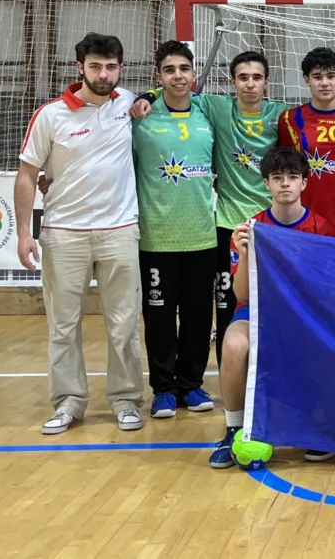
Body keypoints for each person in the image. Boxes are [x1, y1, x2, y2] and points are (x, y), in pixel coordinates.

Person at [16, 33, 145, 434]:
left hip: (120, 232)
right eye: (95, 66)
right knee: (63, 325)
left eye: (110, 67)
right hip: (62, 235)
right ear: (80, 68)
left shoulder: (129, 103)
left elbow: (166, 90)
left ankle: (126, 400)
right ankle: (69, 402)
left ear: (120, 69)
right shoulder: (51, 115)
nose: (103, 74)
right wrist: (25, 233)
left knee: (124, 323)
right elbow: (27, 176)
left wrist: (150, 98)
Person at [133, 51, 288, 366]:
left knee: (278, 306)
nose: (250, 84)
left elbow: (319, 114)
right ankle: (229, 386)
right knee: (227, 308)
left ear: (267, 83)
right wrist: (145, 95)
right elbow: (175, 92)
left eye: (256, 78)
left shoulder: (281, 115)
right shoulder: (214, 107)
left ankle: (275, 378)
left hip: (273, 229)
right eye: (243, 78)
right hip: (228, 227)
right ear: (232, 83)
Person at [209, 147, 335, 469]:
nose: (285, 185)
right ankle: (234, 428)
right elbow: (243, 296)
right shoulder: (249, 230)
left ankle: (315, 424)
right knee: (234, 344)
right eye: (277, 178)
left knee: (325, 342)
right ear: (266, 183)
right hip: (259, 310)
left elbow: (327, 290)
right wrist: (246, 252)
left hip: (303, 314)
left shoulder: (323, 229)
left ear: (305, 183)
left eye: (293, 177)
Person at [132, 41, 216, 419]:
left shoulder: (208, 112)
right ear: (158, 76)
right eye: (169, 70)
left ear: (194, 75)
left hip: (203, 236)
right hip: (157, 238)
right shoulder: (140, 118)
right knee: (160, 319)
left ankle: (192, 385)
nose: (178, 76)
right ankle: (163, 389)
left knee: (199, 316)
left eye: (184, 69)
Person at [278, 47, 335, 232]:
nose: (325, 83)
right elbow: (286, 168)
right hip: (307, 220)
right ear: (306, 80)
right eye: (317, 77)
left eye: (331, 76)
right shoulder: (290, 119)